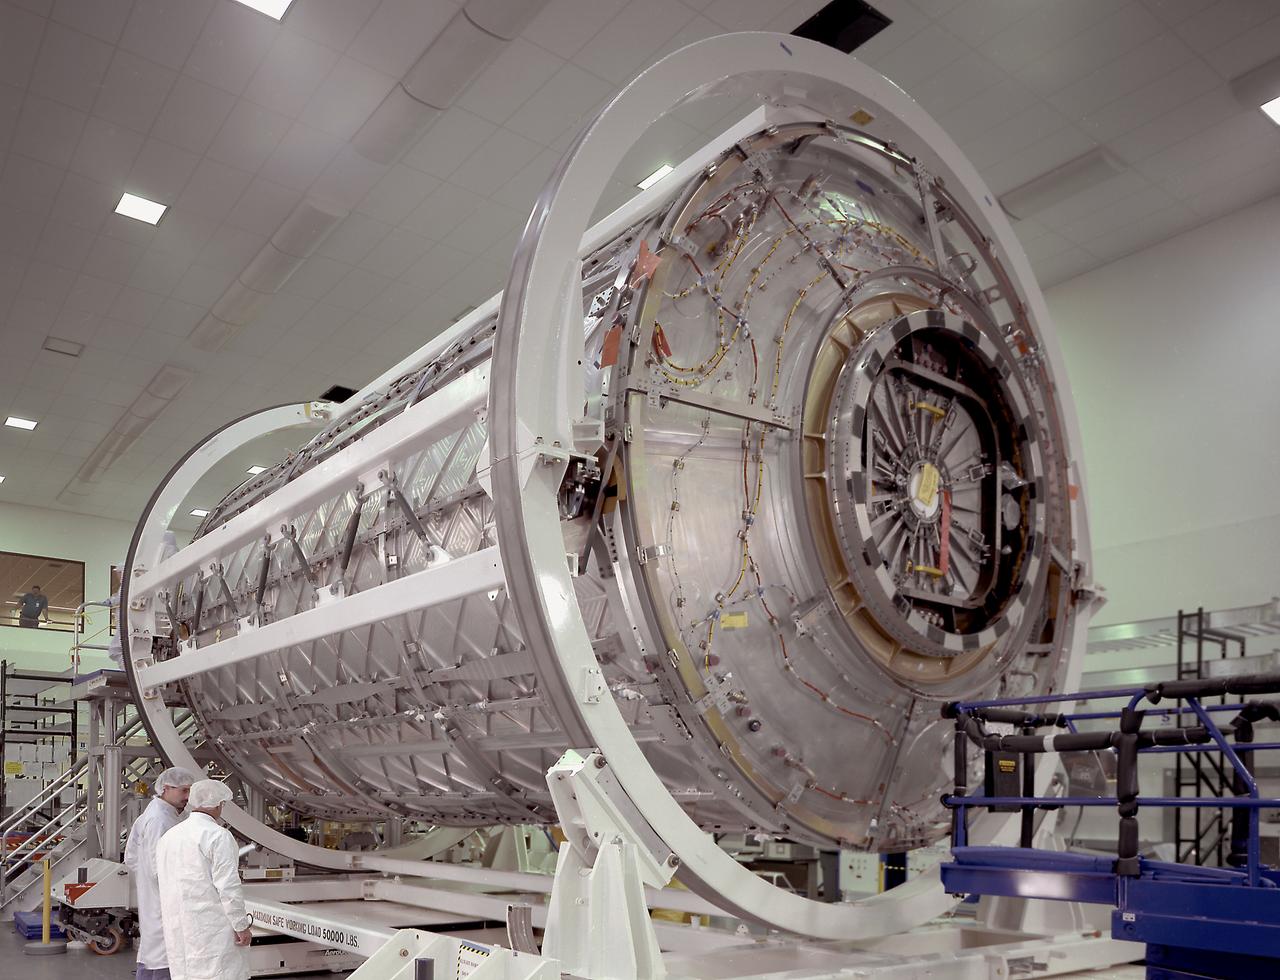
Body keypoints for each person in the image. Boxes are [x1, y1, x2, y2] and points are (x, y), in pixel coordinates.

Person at [156, 779, 252, 980]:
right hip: (212, 929)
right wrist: (241, 925)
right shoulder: (218, 836)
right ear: (218, 804)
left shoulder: (169, 837)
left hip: (178, 926)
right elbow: (228, 887)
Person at [123, 766, 199, 980]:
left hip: (155, 895)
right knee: (164, 952)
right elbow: (160, 868)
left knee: (153, 952)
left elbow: (131, 857)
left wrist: (145, 877)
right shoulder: (159, 819)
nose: (188, 797)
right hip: (163, 897)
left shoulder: (167, 815)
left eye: (189, 791)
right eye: (183, 791)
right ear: (166, 788)